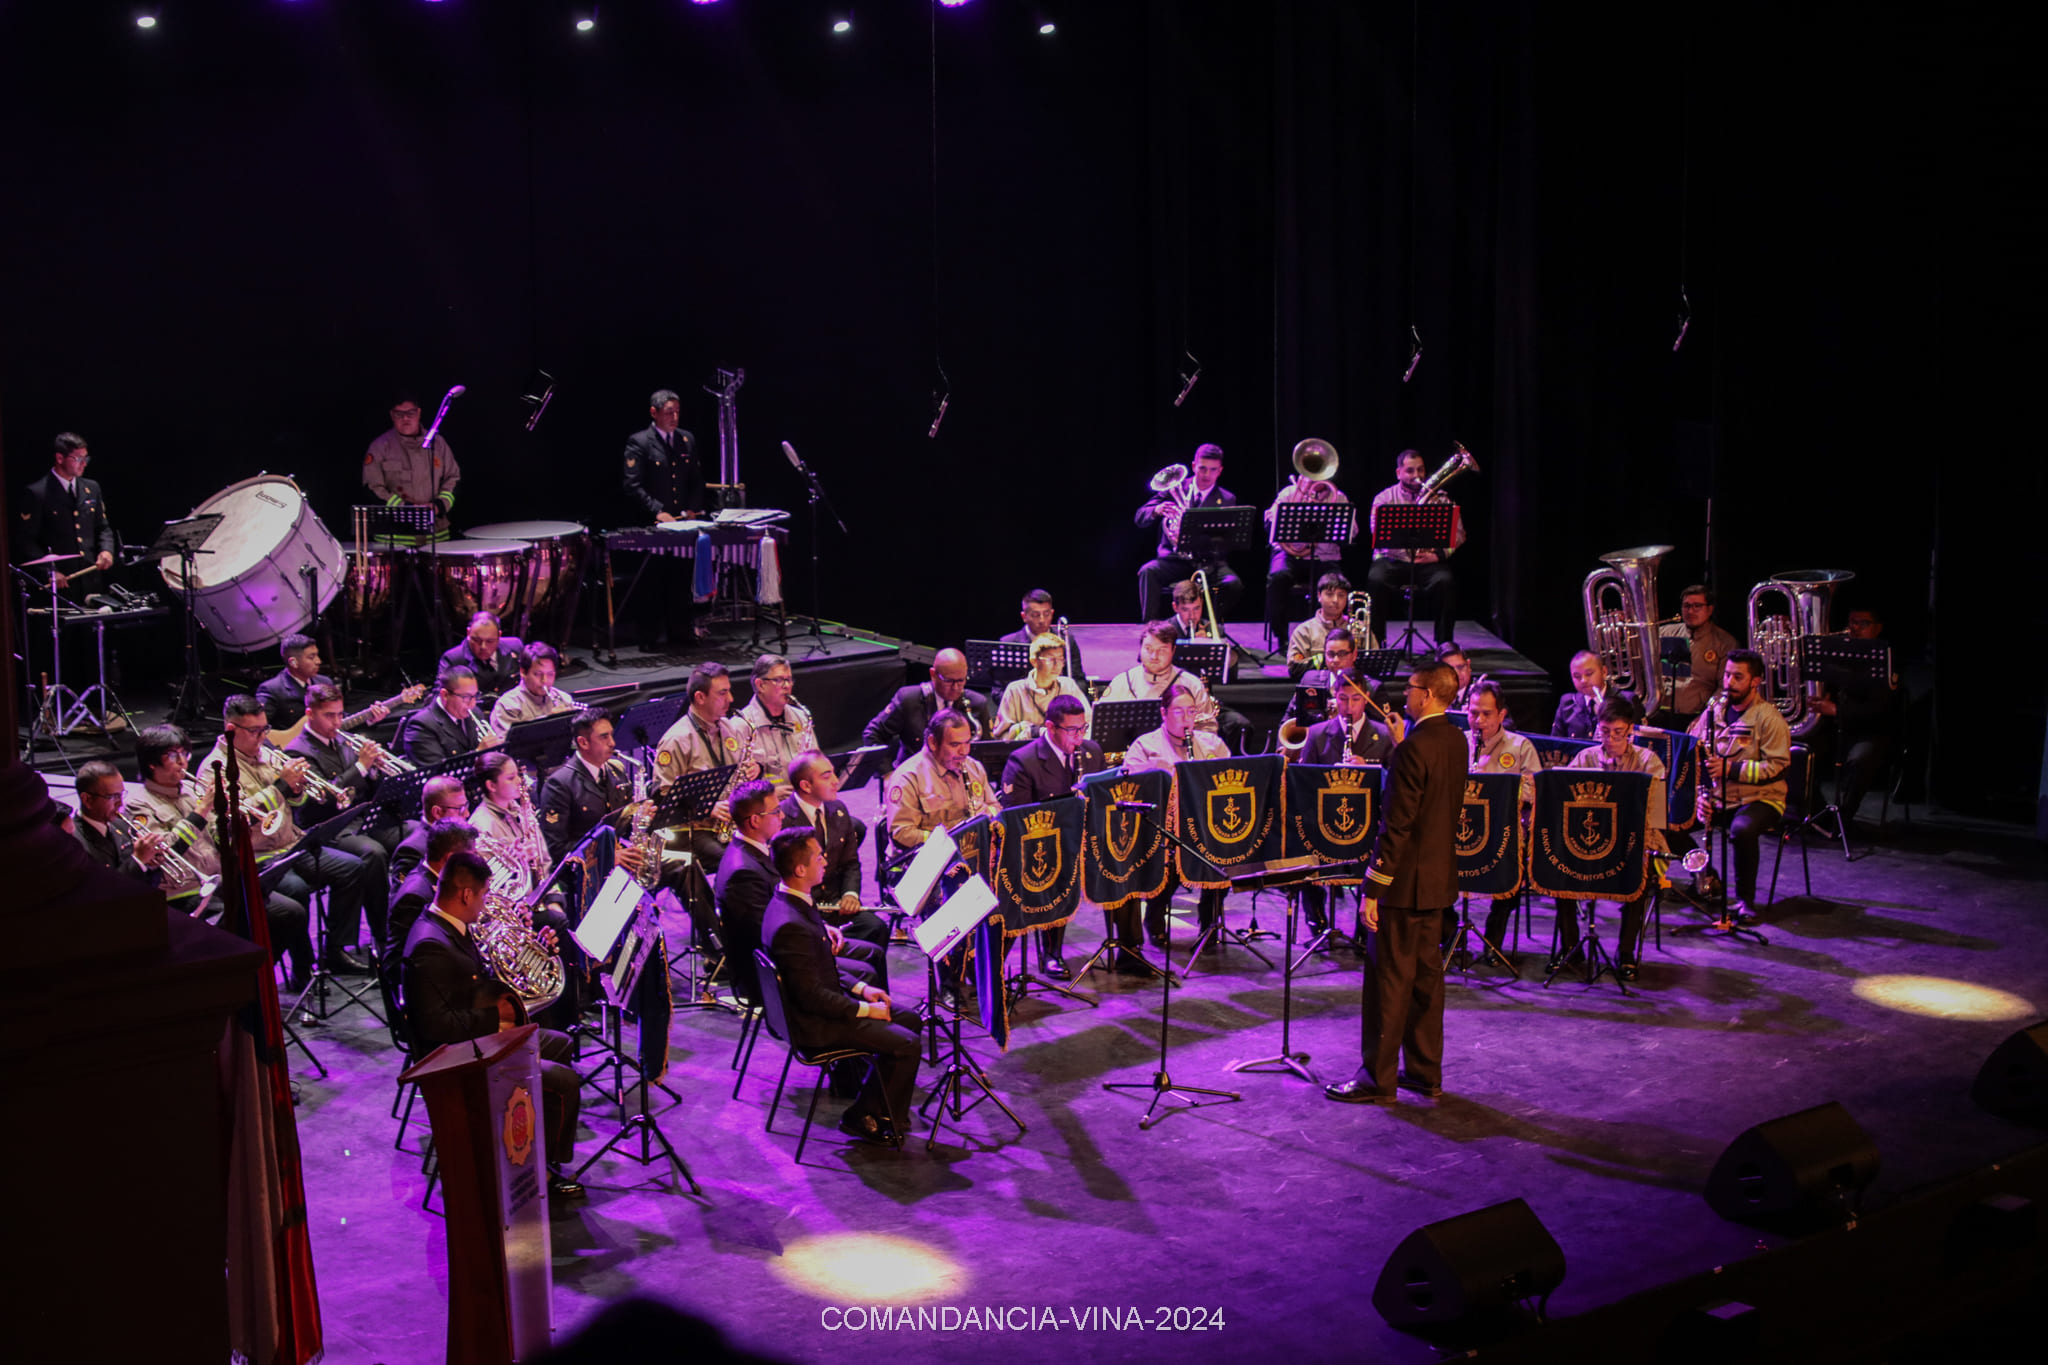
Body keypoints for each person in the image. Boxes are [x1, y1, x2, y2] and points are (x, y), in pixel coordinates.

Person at [402, 850, 584, 1199]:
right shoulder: (430, 945)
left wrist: (535, 950)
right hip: (456, 1061)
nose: (487, 904)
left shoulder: (451, 923)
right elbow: (435, 1028)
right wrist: (497, 1019)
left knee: (561, 1043)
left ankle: (535, 1150)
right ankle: (539, 1174)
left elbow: (483, 977)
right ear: (466, 894)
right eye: (485, 895)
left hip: (477, 1039)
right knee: (563, 1081)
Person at [1326, 661, 1464, 1104]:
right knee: (1426, 980)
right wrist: (1404, 744)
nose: (1404, 694)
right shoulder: (1455, 740)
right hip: (1438, 884)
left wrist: (1374, 887)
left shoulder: (1411, 750)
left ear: (1426, 694)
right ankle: (1424, 1072)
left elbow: (1398, 825)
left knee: (1388, 981)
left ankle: (1377, 1078)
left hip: (1402, 886)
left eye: (1410, 688)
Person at [762, 827, 926, 1145]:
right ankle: (861, 1116)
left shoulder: (793, 900)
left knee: (911, 1020)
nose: (825, 860)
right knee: (906, 1043)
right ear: (800, 869)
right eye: (818, 856)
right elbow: (812, 996)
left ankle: (880, 1107)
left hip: (825, 1005)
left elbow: (822, 967)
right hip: (815, 1026)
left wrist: (863, 990)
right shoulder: (790, 924)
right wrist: (866, 1010)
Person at [204, 696, 377, 976]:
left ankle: (335, 951)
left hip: (291, 842)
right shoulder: (217, 768)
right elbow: (231, 827)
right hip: (259, 855)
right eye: (254, 731)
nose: (262, 736)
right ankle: (302, 967)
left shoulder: (264, 752)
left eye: (265, 728)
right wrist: (282, 786)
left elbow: (292, 805)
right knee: (296, 890)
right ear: (231, 729)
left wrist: (296, 790)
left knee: (352, 867)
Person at [130, 726, 315, 975]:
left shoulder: (189, 792)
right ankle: (238, 985)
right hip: (183, 894)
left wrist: (229, 816)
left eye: (185, 753)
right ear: (152, 763)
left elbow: (218, 839)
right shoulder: (138, 804)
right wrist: (201, 812)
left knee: (290, 912)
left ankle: (255, 983)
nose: (183, 762)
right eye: (173, 756)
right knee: (239, 927)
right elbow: (164, 853)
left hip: (219, 882)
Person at [717, 781, 885, 1012]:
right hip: (775, 971)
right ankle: (862, 1026)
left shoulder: (757, 851)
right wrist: (820, 935)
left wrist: (821, 926)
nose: (782, 816)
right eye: (775, 811)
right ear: (755, 821)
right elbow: (766, 933)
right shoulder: (743, 872)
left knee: (872, 949)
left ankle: (878, 1021)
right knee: (868, 964)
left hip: (795, 942)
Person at [1555, 699, 1667, 979]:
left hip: (1633, 843)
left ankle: (1625, 952)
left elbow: (1656, 816)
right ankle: (1570, 947)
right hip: (1592, 843)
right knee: (1557, 869)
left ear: (1630, 730)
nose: (1612, 739)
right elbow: (1566, 802)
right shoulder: (1586, 758)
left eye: (1618, 732)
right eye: (1605, 732)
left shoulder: (1648, 761)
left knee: (1638, 878)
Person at [1673, 650, 1789, 921]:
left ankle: (1745, 900)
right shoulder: (1712, 713)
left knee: (1742, 830)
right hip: (1718, 797)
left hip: (1760, 798)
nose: (1729, 682)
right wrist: (1701, 795)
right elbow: (1695, 755)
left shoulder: (1769, 718)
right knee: (1670, 822)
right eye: (1727, 675)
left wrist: (1731, 769)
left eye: (1738, 677)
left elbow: (1777, 767)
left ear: (1755, 682)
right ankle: (1707, 877)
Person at [1001, 693, 1111, 977]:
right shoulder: (1024, 761)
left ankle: (1130, 946)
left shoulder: (1092, 751)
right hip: (1043, 845)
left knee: (1122, 856)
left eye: (1083, 728)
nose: (1079, 737)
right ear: (1050, 727)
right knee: (1056, 868)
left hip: (1085, 838)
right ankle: (1051, 952)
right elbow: (1019, 818)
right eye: (1072, 730)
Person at [284, 682, 393, 951]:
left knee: (415, 832)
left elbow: (365, 789)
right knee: (373, 853)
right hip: (327, 828)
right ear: (310, 714)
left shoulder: (343, 740)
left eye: (340, 714)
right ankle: (380, 934)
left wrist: (376, 770)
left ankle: (403, 921)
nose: (337, 722)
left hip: (360, 818)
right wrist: (360, 766)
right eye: (329, 715)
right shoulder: (297, 751)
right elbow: (321, 799)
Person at [1122, 683, 1231, 948]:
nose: (1187, 719)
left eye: (1191, 712)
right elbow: (1133, 794)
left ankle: (1209, 923)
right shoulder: (1145, 746)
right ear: (1163, 713)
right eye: (1179, 712)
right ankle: (1156, 919)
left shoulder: (1212, 744)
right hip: (1161, 828)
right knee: (1169, 860)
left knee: (1226, 853)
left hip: (1205, 827)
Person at [1464, 681, 1542, 960]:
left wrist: (1497, 788)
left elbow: (1534, 790)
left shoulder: (1520, 747)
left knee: (1512, 871)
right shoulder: (1458, 741)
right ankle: (1451, 936)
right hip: (1460, 833)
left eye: (1486, 714)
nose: (1479, 720)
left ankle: (1493, 940)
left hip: (1502, 833)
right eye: (1473, 713)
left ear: (1501, 714)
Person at [780, 750, 888, 953]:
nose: (836, 781)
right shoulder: (783, 820)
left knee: (877, 929)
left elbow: (851, 863)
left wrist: (850, 894)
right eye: (826, 776)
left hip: (837, 904)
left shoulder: (838, 809)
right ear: (805, 785)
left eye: (833, 773)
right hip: (805, 912)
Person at [621, 388, 702, 648]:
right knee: (653, 581)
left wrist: (692, 507)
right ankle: (650, 636)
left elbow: (695, 481)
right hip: (653, 523)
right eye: (669, 413)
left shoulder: (686, 440)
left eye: (678, 412)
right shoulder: (640, 442)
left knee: (681, 578)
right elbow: (632, 485)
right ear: (654, 413)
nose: (675, 417)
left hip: (682, 523)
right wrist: (657, 510)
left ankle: (681, 631)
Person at [1812, 606, 1904, 826]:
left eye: (1863, 623)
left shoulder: (1888, 659)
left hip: (1872, 731)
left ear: (1878, 628)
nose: (1854, 628)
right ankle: (1818, 815)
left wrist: (1836, 710)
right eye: (1852, 622)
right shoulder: (1837, 653)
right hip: (1836, 728)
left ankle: (1844, 819)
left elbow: (1881, 709)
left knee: (1860, 761)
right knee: (1796, 752)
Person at [1364, 449, 1466, 646]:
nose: (1417, 476)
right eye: (1410, 471)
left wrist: (1437, 555)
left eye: (1420, 470)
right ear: (1399, 473)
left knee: (1445, 581)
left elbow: (1459, 533)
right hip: (1393, 560)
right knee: (1375, 580)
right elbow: (1377, 532)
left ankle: (1444, 644)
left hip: (1428, 561)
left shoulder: (1440, 498)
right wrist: (1406, 554)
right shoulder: (1384, 499)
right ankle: (1377, 642)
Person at [1135, 443, 1243, 620]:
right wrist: (1157, 510)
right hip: (1174, 560)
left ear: (1220, 471)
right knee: (1148, 571)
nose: (1207, 475)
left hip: (1209, 562)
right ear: (1194, 466)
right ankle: (1152, 630)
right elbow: (1140, 517)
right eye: (1202, 468)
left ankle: (1208, 625)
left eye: (1213, 470)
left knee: (1233, 584)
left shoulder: (1227, 498)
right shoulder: (1173, 488)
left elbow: (1227, 541)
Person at [12, 432, 116, 591]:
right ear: (60, 458)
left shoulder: (92, 488)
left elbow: (103, 527)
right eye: (78, 459)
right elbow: (26, 541)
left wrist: (106, 550)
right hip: (62, 583)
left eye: (85, 458)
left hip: (91, 579)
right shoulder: (38, 493)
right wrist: (49, 571)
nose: (84, 464)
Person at [1264, 468, 1356, 647]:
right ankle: (1283, 638)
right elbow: (1270, 522)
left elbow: (1351, 533)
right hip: (1289, 555)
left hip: (1324, 557)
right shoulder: (1289, 493)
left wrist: (1340, 521)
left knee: (1334, 585)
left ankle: (1326, 636)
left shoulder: (1338, 498)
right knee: (1278, 577)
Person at [387, 819, 478, 990]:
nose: (476, 860)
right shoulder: (415, 897)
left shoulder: (441, 878)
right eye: (472, 854)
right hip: (435, 989)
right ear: (451, 858)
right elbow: (397, 963)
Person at [861, 649, 990, 765]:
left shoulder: (977, 703)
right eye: (949, 681)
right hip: (913, 779)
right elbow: (872, 733)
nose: (956, 688)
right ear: (933, 674)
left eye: (961, 680)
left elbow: (986, 750)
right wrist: (886, 772)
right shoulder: (908, 699)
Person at [362, 393, 460, 540]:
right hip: (394, 538)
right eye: (399, 414)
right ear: (392, 415)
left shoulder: (438, 444)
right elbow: (372, 487)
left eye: (410, 413)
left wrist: (439, 505)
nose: (405, 418)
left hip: (435, 535)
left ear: (419, 413)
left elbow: (453, 479)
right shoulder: (380, 447)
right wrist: (405, 509)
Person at [1098, 621, 1219, 735]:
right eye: (1148, 649)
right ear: (1140, 649)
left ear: (1173, 650)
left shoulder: (1192, 684)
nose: (1154, 656)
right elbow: (1100, 725)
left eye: (1162, 650)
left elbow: (1208, 731)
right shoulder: (1121, 682)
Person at [70, 761, 167, 886]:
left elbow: (148, 884)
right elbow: (102, 889)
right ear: (87, 800)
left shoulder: (122, 826)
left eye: (121, 794)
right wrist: (138, 860)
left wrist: (150, 865)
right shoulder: (74, 841)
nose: (120, 803)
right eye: (113, 797)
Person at [736, 653, 817, 795]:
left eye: (789, 680)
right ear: (760, 685)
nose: (787, 686)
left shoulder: (801, 716)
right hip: (765, 807)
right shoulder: (740, 726)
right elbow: (737, 788)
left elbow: (816, 761)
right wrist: (768, 793)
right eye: (779, 680)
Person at [1661, 584, 1742, 722]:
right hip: (1660, 713)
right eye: (1686, 606)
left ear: (1710, 610)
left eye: (1697, 606)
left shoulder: (1725, 643)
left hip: (1697, 717)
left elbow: (1724, 687)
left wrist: (1705, 717)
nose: (1691, 611)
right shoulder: (1663, 633)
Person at [256, 635, 361, 736]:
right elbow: (257, 726)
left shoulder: (325, 682)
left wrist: (368, 718)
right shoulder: (272, 689)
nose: (318, 661)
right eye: (312, 657)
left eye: (317, 655)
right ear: (293, 663)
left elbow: (340, 718)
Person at [994, 634, 1090, 741]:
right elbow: (1002, 735)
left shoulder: (1068, 685)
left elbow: (1088, 722)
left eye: (1060, 659)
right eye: (1050, 659)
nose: (1056, 665)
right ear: (1034, 661)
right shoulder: (1015, 690)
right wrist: (1030, 731)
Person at [395, 665, 490, 767]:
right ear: (445, 695)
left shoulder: (475, 712)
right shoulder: (421, 725)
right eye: (466, 697)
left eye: (475, 695)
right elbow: (436, 771)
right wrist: (477, 754)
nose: (472, 703)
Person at [389, 775, 471, 886]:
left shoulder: (453, 834)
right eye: (460, 809)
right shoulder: (412, 851)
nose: (467, 814)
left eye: (466, 806)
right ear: (437, 812)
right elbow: (407, 899)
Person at [1287, 572, 1372, 679]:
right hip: (1318, 687)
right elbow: (1295, 669)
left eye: (1341, 595)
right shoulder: (1304, 631)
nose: (1335, 600)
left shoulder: (1359, 627)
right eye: (1329, 594)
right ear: (1319, 596)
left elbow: (1375, 662)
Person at [487, 642, 577, 737]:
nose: (545, 681)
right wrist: (547, 722)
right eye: (538, 674)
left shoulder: (564, 699)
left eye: (550, 674)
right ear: (523, 672)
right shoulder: (507, 705)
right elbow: (509, 745)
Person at [1000, 589, 1086, 680]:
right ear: (1024, 616)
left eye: (1046, 614)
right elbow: (998, 689)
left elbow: (1079, 679)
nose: (1042, 620)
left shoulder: (1067, 641)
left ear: (1052, 613)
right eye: (1035, 615)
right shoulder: (1008, 643)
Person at [1552, 650, 1639, 739]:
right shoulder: (1567, 702)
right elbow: (1556, 744)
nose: (1583, 680)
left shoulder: (1625, 700)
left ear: (1604, 672)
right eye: (1577, 676)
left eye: (1589, 674)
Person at [438, 611, 525, 697]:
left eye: (490, 641)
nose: (483, 646)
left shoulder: (515, 646)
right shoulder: (453, 659)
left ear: (499, 635)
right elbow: (440, 696)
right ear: (468, 633)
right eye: (477, 640)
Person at [1437, 642, 1476, 708]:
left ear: (1468, 665)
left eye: (1460, 667)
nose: (1457, 674)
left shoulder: (1482, 694)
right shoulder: (1431, 694)